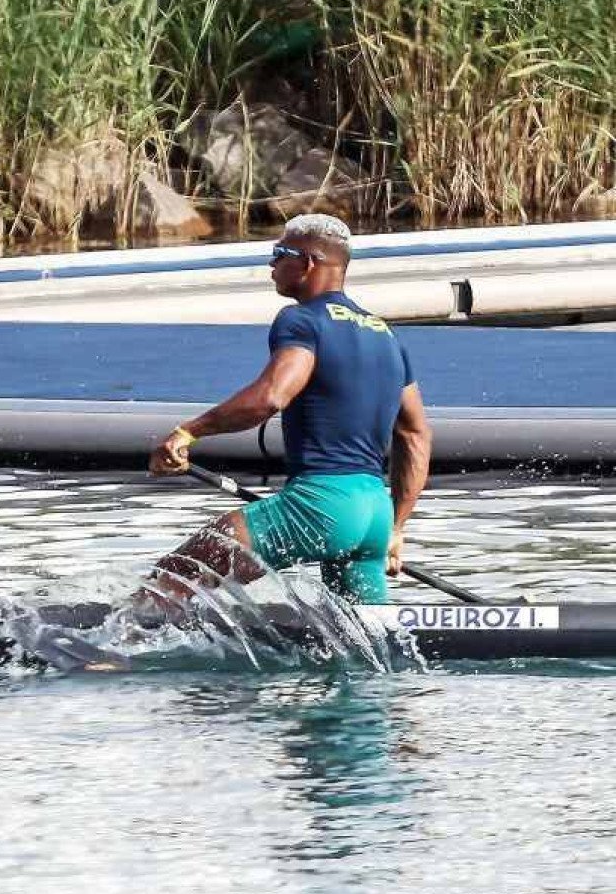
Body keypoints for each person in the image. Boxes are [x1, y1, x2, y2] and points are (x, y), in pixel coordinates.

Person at [145, 213, 432, 604]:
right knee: (366, 641)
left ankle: (104, 658)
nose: (271, 264)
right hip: (374, 513)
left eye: (279, 253)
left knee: (175, 579)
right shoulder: (385, 334)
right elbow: (415, 434)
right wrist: (396, 529)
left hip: (321, 506)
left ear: (307, 263)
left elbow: (270, 398)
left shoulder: (301, 320)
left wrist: (189, 432)